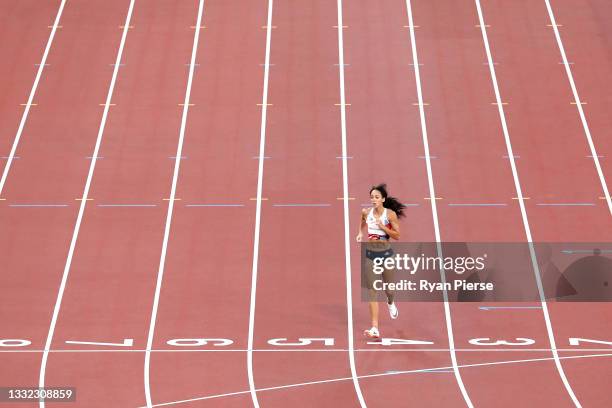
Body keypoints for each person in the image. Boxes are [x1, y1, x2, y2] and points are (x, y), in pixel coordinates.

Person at [356, 183, 405, 339]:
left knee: (389, 290)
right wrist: (360, 233)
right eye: (372, 197)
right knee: (372, 292)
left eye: (377, 197)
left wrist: (383, 227)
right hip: (371, 256)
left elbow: (397, 236)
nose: (373, 199)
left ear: (383, 199)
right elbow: (362, 221)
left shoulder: (389, 215)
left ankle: (390, 302)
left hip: (386, 256)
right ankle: (375, 327)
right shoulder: (366, 212)